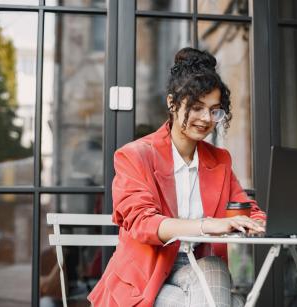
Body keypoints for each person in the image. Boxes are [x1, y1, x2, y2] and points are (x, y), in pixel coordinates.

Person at [88, 47, 267, 307]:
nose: (206, 119)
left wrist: (260, 222)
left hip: (197, 269)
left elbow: (246, 209)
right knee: (231, 302)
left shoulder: (220, 160)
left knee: (214, 270)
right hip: (145, 279)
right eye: (196, 107)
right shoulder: (134, 156)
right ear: (172, 103)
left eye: (214, 110)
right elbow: (144, 224)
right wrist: (207, 225)